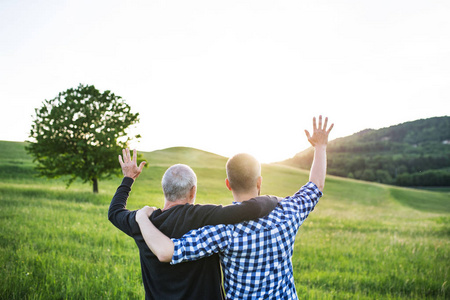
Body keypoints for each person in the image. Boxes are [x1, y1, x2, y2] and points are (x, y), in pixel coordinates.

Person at [135, 115, 334, 299]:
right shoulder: (287, 212)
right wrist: (320, 147)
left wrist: (142, 217)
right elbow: (316, 184)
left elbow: (165, 252)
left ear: (228, 184)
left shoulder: (222, 229)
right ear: (259, 182)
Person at [108, 149, 278, 299]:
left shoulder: (143, 222)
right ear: (193, 191)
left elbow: (114, 212)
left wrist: (128, 179)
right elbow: (248, 209)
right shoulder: (203, 216)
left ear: (164, 189)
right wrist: (273, 199)